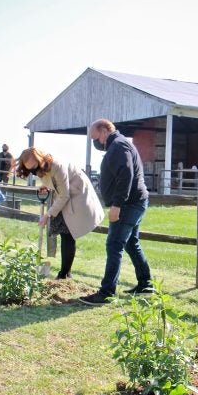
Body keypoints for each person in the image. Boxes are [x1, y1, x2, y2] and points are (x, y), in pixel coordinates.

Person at [79, 119, 153, 305]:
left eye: (95, 137)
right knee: (130, 243)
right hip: (135, 202)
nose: (95, 142)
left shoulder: (118, 146)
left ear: (104, 131)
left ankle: (107, 292)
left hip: (128, 205)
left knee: (114, 245)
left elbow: (126, 174)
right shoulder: (118, 144)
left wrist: (117, 205)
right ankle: (145, 284)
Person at [16, 147, 104, 279]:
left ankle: (64, 274)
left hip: (77, 196)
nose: (33, 172)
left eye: (34, 167)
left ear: (40, 159)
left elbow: (64, 195)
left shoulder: (57, 165)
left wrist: (47, 215)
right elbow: (53, 183)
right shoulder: (41, 168)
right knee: (64, 234)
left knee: (68, 235)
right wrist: (45, 187)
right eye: (29, 169)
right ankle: (65, 273)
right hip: (65, 197)